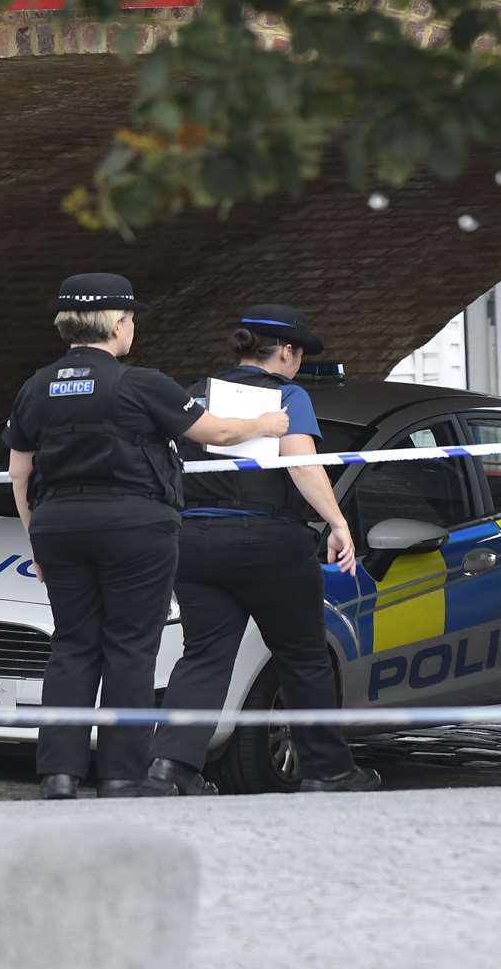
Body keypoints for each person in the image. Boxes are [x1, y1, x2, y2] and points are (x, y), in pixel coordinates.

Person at [5, 274, 288, 801]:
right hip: (135, 526)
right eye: (131, 319)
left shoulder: (35, 386)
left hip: (59, 525)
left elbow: (20, 473)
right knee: (130, 648)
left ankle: (59, 775)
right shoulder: (141, 383)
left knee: (71, 647)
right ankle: (120, 775)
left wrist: (36, 541)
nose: (132, 328)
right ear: (116, 324)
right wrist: (269, 423)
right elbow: (216, 433)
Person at [143, 306, 380, 796]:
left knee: (204, 656)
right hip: (270, 543)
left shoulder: (193, 395)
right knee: (303, 656)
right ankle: (327, 770)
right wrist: (338, 524)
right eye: (298, 354)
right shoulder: (287, 394)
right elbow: (302, 465)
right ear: (287, 352)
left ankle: (171, 767)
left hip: (195, 542)